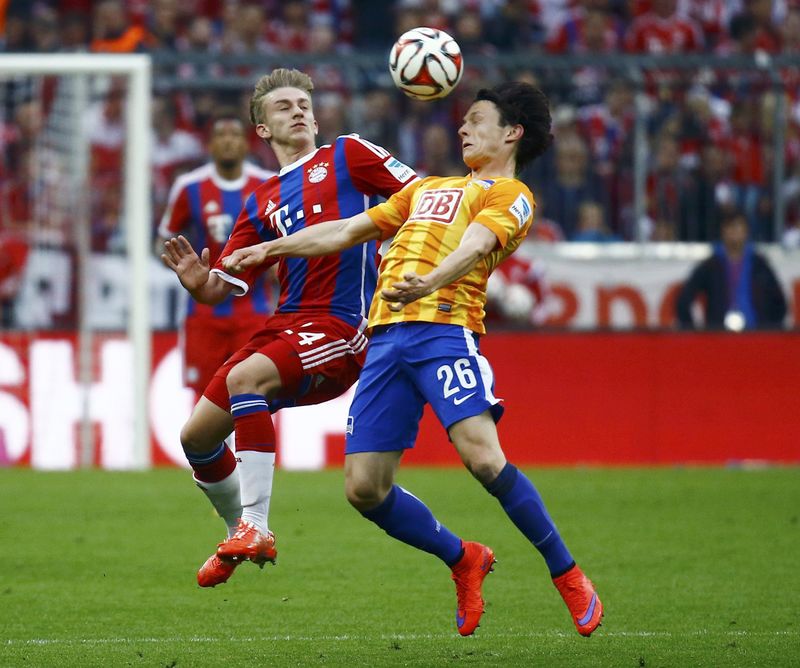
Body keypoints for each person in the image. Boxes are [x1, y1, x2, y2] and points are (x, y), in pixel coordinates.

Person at [222, 81, 604, 638]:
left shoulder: (510, 196)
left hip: (444, 333)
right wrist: (270, 248)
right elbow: (347, 230)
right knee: (363, 489)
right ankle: (464, 558)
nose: (463, 128)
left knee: (483, 458)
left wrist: (429, 280)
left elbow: (474, 247)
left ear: (511, 133)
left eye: (476, 119)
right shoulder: (429, 190)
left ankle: (567, 574)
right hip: (384, 340)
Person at [160, 68, 417, 588]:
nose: (298, 111)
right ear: (263, 130)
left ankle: (255, 524)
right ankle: (241, 531)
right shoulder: (261, 199)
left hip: (342, 326)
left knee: (244, 380)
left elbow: (429, 198)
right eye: (283, 107)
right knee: (197, 438)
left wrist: (404, 248)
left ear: (316, 117)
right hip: (286, 324)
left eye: (304, 103)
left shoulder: (349, 154)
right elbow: (220, 286)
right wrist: (197, 282)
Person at [157, 109, 276, 401]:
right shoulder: (189, 187)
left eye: (234, 135)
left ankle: (250, 449)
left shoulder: (268, 184)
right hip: (203, 313)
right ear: (209, 145)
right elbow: (165, 238)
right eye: (220, 135)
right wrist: (186, 264)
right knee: (204, 397)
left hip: (254, 310)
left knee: (255, 393)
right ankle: (209, 449)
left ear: (246, 144)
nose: (227, 141)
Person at [675, 208, 787, 330]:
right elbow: (684, 300)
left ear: (746, 231)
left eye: (738, 226)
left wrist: (769, 331)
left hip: (755, 335)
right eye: (730, 227)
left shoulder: (760, 264)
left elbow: (780, 304)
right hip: (719, 336)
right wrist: (696, 333)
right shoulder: (711, 265)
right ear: (722, 231)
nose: (734, 232)